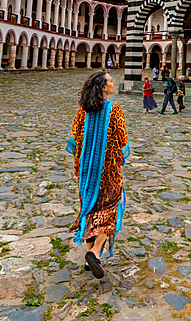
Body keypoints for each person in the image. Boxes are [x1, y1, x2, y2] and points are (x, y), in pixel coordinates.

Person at [66, 71, 128, 280]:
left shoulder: (82, 112)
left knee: (90, 209)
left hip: (86, 171)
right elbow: (122, 140)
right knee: (109, 209)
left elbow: (74, 141)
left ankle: (90, 258)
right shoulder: (114, 110)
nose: (113, 83)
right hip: (108, 171)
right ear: (103, 87)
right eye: (110, 81)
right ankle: (94, 252)